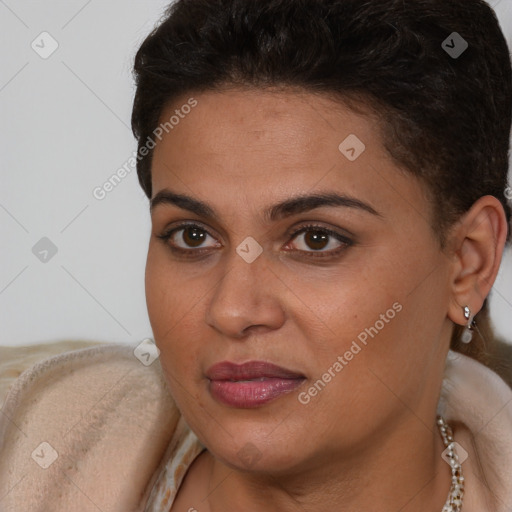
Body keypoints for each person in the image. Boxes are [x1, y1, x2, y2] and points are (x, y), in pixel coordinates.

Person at [1, 0, 511, 511]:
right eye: (193, 236)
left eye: (316, 239)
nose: (232, 310)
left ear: (468, 262)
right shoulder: (26, 450)